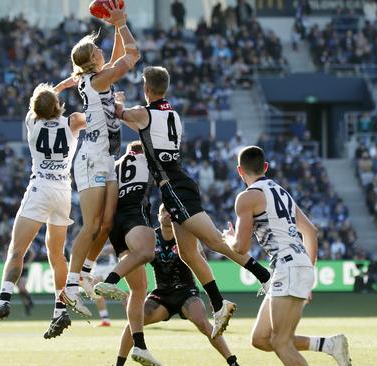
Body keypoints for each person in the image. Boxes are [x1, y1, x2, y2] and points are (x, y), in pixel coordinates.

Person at [115, 66, 270, 338]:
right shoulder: (171, 114)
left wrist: (116, 101)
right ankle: (219, 304)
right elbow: (142, 126)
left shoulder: (144, 113)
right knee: (188, 254)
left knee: (213, 242)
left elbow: (121, 115)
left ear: (146, 88)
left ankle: (264, 277)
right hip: (178, 184)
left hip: (174, 188)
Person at [0, 83, 86, 340]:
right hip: (62, 193)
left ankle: (4, 299)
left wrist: (55, 90)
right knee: (57, 255)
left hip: (39, 189)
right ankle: (59, 310)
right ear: (58, 106)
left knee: (17, 250)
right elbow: (89, 116)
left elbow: (39, 104)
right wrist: (74, 82)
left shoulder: (31, 122)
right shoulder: (71, 123)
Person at [222, 146, 351, 366]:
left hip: (287, 266)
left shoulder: (247, 198)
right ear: (265, 167)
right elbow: (310, 231)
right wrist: (308, 272)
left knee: (280, 342)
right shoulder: (283, 193)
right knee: (261, 339)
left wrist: (228, 239)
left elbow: (241, 247)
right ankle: (329, 345)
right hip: (295, 264)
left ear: (239, 171)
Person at [59, 0, 141, 317]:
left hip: (105, 157)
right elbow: (131, 57)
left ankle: (87, 273)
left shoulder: (97, 78)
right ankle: (70, 287)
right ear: (92, 60)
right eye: (97, 50)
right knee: (91, 224)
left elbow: (119, 56)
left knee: (106, 224)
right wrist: (120, 24)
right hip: (92, 157)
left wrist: (116, 26)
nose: (101, 51)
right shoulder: (97, 81)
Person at [116, 204, 241, 366]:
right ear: (158, 216)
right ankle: (118, 364)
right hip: (161, 294)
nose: (168, 214)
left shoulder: (185, 236)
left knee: (203, 322)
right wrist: (134, 294)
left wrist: (212, 296)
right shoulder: (150, 239)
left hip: (187, 292)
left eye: (170, 211)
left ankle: (232, 362)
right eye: (163, 212)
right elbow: (136, 264)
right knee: (134, 321)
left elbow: (201, 264)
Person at [103, 141, 161, 365]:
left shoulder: (115, 166)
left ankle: (139, 345)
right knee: (147, 252)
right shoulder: (147, 160)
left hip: (116, 228)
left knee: (139, 289)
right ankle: (111, 279)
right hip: (136, 217)